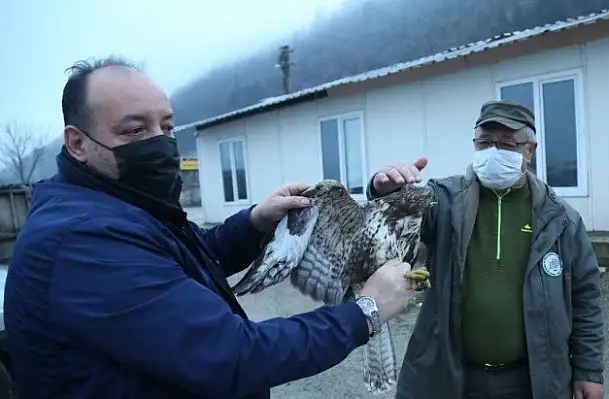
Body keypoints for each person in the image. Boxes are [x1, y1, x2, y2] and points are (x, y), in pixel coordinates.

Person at [3, 57, 417, 399]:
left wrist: (254, 223)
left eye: (166, 127)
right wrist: (365, 311)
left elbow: (175, 261)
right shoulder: (80, 242)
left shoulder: (115, 205)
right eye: (134, 130)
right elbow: (233, 355)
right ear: (77, 143)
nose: (160, 142)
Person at [367, 100, 605, 399]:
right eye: (485, 142)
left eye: (507, 143)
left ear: (529, 151)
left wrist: (588, 371)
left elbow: (585, 299)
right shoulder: (444, 200)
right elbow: (397, 217)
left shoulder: (561, 219)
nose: (494, 151)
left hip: (530, 381)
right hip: (452, 377)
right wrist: (384, 191)